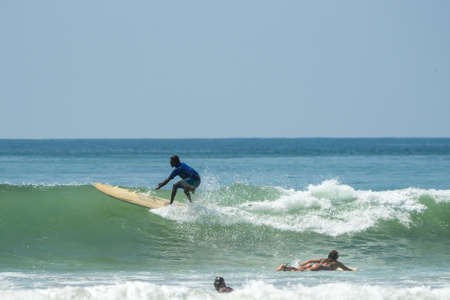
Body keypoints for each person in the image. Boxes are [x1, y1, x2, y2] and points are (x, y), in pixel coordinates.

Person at [276, 250, 354, 272]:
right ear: (336, 257)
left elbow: (310, 260)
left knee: (299, 269)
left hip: (314, 265)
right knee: (299, 271)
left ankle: (284, 267)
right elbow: (346, 269)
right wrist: (353, 270)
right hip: (319, 267)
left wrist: (302, 264)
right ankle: (284, 268)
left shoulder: (323, 259)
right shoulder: (337, 263)